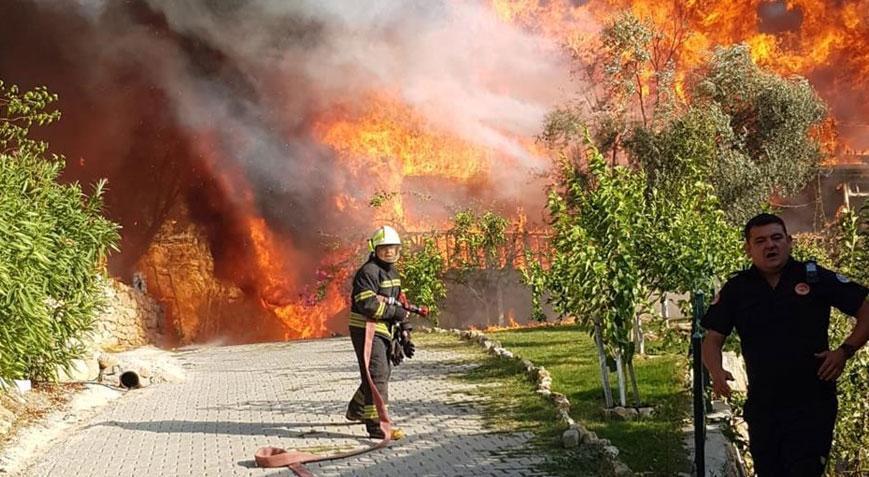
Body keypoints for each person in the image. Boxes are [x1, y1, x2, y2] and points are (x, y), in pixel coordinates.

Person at [701, 213, 869, 476]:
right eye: (760, 241)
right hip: (764, 407)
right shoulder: (738, 289)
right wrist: (716, 371)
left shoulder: (814, 278)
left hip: (811, 405)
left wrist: (844, 351)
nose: (770, 245)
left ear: (789, 242)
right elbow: (712, 339)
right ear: (748, 249)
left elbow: (865, 310)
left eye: (777, 238)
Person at [345, 225, 409, 440]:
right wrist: (393, 313)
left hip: (383, 329)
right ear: (375, 249)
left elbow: (398, 301)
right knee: (377, 374)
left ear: (398, 249)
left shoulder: (393, 273)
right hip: (366, 328)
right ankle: (377, 426)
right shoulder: (368, 272)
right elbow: (367, 304)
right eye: (384, 248)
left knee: (381, 372)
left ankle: (356, 409)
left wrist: (404, 326)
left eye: (392, 248)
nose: (389, 252)